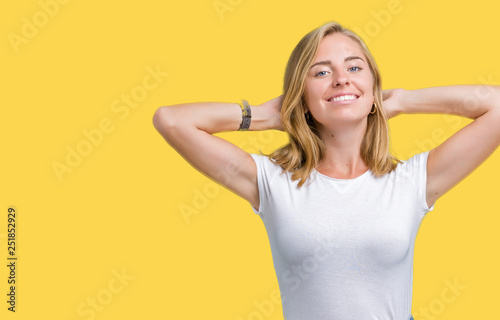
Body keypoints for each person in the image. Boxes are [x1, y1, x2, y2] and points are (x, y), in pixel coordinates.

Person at [152, 21, 500, 320]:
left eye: (354, 68)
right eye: (321, 71)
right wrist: (265, 116)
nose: (340, 80)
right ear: (301, 95)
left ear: (373, 85)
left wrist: (404, 100)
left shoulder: (410, 182)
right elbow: (171, 121)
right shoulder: (273, 182)